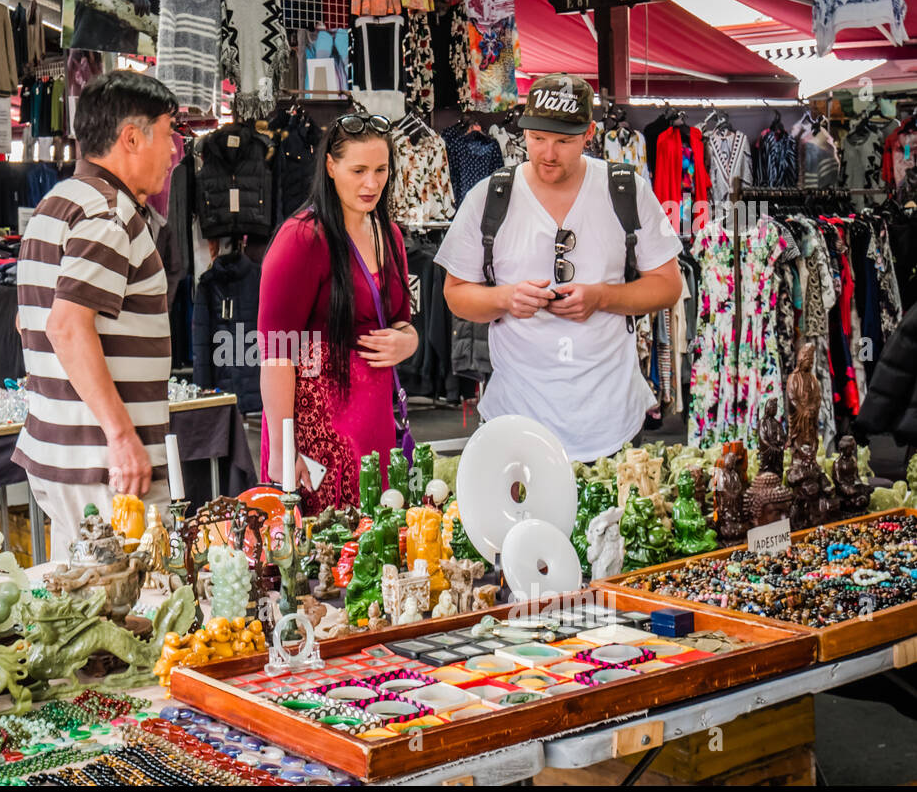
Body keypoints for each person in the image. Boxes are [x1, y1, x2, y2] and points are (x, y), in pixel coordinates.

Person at [435, 73, 683, 461]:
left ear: (589, 134)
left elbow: (668, 285)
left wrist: (602, 297)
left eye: (564, 141)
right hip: (515, 420)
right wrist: (506, 298)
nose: (548, 153)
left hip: (612, 419)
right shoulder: (489, 197)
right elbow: (455, 294)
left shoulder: (626, 190)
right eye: (537, 138)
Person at [12, 70, 179, 563]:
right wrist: (122, 438)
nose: (173, 153)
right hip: (104, 468)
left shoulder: (57, 201)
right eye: (168, 135)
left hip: (65, 455)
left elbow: (34, 321)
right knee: (135, 614)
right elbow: (65, 326)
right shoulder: (109, 214)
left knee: (83, 618)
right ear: (132, 137)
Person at [258, 112, 418, 513]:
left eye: (381, 170)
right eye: (358, 170)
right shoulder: (301, 239)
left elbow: (402, 319)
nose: (371, 183)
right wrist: (282, 449)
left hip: (376, 427)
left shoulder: (390, 234)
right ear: (331, 166)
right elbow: (276, 354)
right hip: (317, 435)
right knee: (320, 557)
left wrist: (407, 341)